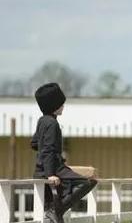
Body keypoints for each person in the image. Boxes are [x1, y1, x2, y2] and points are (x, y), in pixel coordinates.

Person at [32, 83, 98, 223]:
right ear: (54, 106)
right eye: (61, 104)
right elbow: (48, 149)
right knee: (87, 182)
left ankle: (55, 211)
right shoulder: (52, 124)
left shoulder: (42, 121)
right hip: (53, 169)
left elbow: (34, 143)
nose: (63, 106)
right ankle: (56, 211)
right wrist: (50, 173)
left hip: (42, 168)